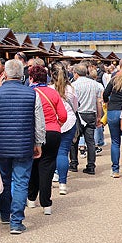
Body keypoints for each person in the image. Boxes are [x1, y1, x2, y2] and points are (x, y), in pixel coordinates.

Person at [0, 58, 45, 233]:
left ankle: (5, 213)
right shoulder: (32, 94)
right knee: (21, 182)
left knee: (4, 180)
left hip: (2, 146)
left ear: (5, 74)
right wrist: (38, 142)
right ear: (22, 74)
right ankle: (17, 220)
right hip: (24, 145)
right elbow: (39, 122)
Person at [27, 64, 66, 214]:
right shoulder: (53, 93)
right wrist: (56, 124)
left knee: (32, 167)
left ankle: (31, 199)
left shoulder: (29, 92)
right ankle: (46, 204)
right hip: (52, 132)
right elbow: (63, 115)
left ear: (31, 78)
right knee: (48, 167)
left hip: (33, 133)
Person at [70, 63, 103, 174]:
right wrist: (99, 116)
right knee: (90, 141)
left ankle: (74, 163)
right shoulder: (95, 84)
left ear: (76, 73)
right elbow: (99, 101)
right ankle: (91, 165)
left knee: (74, 141)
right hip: (91, 113)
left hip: (78, 114)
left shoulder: (73, 85)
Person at [51, 61, 78, 195]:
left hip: (52, 123)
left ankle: (50, 178)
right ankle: (63, 183)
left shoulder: (49, 89)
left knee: (50, 154)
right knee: (63, 152)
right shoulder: (71, 89)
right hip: (69, 122)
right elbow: (76, 106)